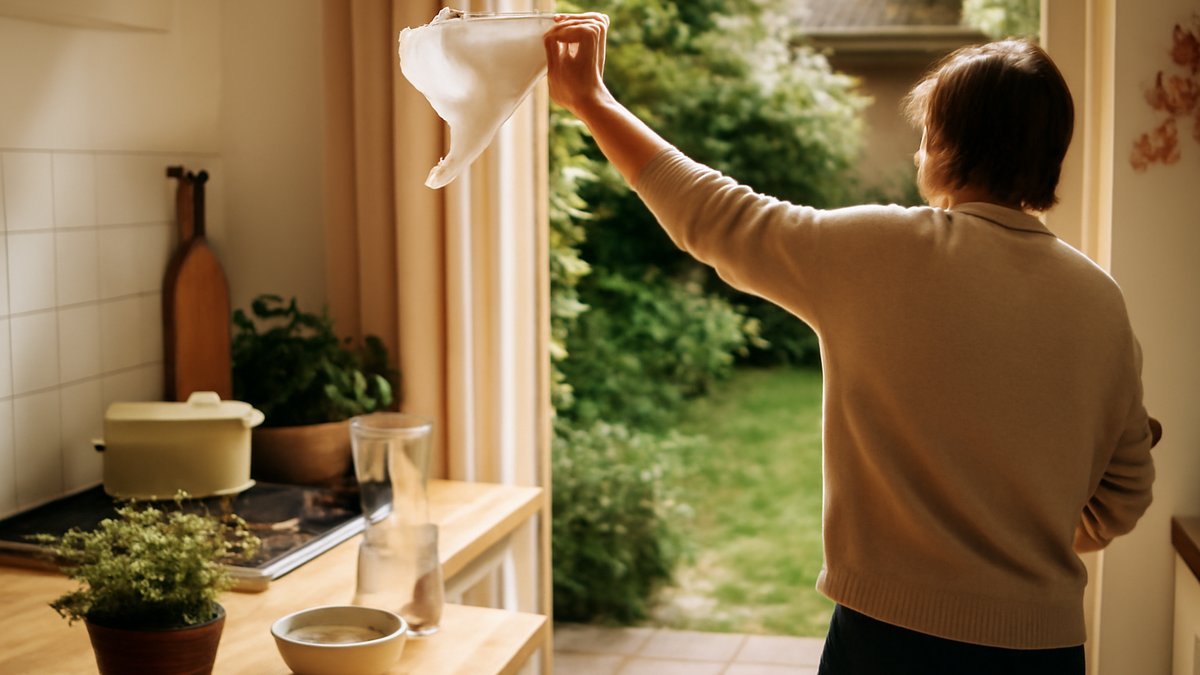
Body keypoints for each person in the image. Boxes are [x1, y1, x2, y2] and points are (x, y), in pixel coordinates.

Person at [543, 12, 1162, 675]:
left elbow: (713, 213)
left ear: (943, 142)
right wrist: (1022, 537)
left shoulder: (879, 252)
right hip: (1044, 650)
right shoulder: (1102, 301)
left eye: (926, 132)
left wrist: (591, 99)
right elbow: (1124, 493)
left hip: (888, 644)